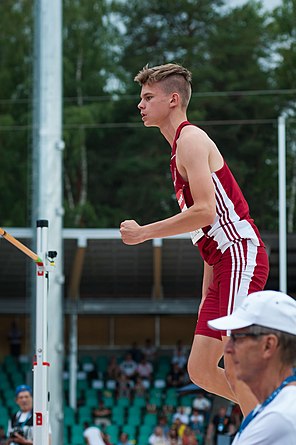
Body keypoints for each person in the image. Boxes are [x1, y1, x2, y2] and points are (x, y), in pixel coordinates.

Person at [120, 63, 269, 415]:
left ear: (173, 100)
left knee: (236, 363)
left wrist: (144, 233)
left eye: (147, 97)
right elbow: (204, 232)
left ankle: (266, 429)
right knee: (200, 369)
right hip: (222, 263)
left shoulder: (191, 139)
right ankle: (272, 412)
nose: (140, 105)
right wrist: (207, 294)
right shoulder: (177, 150)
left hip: (239, 254)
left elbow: (205, 212)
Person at [208, 290, 296, 444]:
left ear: (268, 345)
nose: (228, 348)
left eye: (237, 338)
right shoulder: (275, 408)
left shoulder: (280, 417)